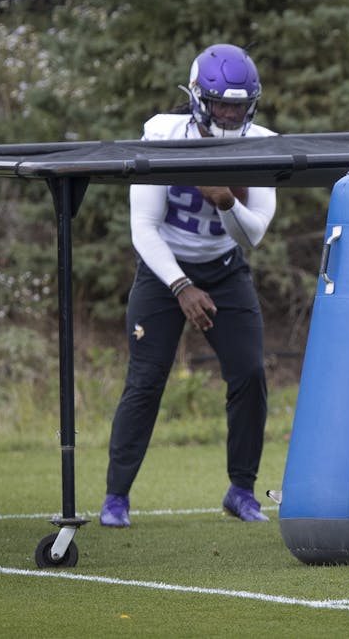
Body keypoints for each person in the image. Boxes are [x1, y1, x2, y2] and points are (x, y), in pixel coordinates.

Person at [100, 44, 277, 527]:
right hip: (164, 270)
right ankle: (116, 496)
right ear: (199, 99)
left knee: (249, 374)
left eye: (238, 106)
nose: (230, 113)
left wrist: (225, 202)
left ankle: (241, 489)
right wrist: (180, 286)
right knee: (146, 379)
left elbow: (254, 234)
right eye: (222, 103)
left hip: (224, 265)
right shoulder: (161, 134)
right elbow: (143, 228)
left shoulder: (261, 141)